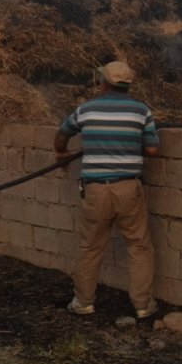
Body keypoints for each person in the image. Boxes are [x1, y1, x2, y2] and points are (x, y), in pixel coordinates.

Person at [54, 60, 160, 320]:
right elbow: (153, 150)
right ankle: (143, 305)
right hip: (128, 188)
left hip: (96, 190)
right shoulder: (141, 111)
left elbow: (62, 132)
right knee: (139, 246)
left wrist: (60, 152)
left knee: (90, 247)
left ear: (103, 84)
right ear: (127, 86)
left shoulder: (86, 110)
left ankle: (84, 303)